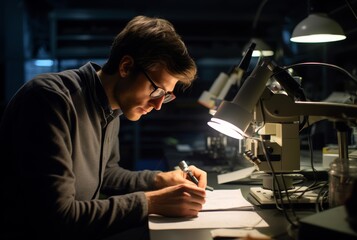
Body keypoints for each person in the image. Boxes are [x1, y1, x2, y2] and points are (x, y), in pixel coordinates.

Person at [0, 15, 208, 240]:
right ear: (126, 67)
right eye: (156, 90)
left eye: (166, 96)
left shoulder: (111, 110)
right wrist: (152, 202)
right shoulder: (49, 100)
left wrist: (160, 179)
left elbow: (105, 174)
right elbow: (57, 217)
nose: (158, 105)